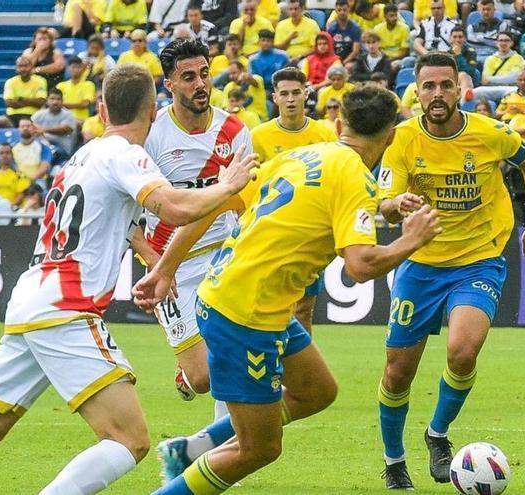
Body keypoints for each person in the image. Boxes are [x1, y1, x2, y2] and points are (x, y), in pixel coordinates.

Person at [0, 63, 260, 495]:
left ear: (102, 109)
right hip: (67, 308)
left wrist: (155, 265)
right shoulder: (126, 155)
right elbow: (175, 208)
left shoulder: (81, 156)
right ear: (152, 111)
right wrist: (228, 186)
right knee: (130, 440)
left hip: (32, 299)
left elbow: (116, 221)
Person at [140, 85, 442, 495]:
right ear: (391, 137)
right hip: (244, 315)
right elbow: (360, 265)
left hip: (240, 297)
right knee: (259, 448)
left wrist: (163, 267)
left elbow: (217, 203)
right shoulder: (355, 177)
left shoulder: (301, 155)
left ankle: (194, 449)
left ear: (339, 124)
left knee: (317, 391)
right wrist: (411, 240)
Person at [376, 52, 525, 490]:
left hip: (478, 260)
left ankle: (437, 434)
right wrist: (398, 205)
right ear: (416, 91)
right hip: (421, 265)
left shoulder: (490, 133)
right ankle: (395, 462)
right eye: (428, 86)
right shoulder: (401, 140)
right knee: (397, 373)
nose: (436, 94)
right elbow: (384, 203)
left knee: (463, 351)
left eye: (445, 86)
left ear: (459, 89)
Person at [140, 38, 255, 416]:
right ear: (168, 84)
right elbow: (124, 213)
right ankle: (187, 374)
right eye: (188, 77)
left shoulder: (235, 131)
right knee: (203, 376)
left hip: (223, 257)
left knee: (229, 354)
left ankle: (223, 452)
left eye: (204, 74)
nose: (200, 84)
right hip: (170, 266)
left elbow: (242, 203)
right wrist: (156, 263)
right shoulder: (151, 134)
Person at [250, 67, 338, 332]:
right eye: (284, 94)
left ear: (306, 94)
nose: (290, 99)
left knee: (303, 311)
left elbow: (334, 179)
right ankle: (266, 368)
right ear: (274, 97)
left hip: (308, 235)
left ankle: (299, 374)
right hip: (269, 234)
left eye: (296, 93)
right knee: (263, 310)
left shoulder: (324, 135)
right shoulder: (258, 136)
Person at [473, 31, 525, 102]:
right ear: (496, 43)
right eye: (501, 40)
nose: (503, 43)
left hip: (510, 88)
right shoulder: (490, 59)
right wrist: (505, 79)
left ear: (512, 43)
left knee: (515, 91)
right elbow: (484, 81)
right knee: (474, 93)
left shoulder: (518, 58)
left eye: (507, 40)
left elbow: (514, 78)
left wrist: (491, 79)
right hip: (492, 89)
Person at [32, 90, 77, 166]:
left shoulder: (68, 114)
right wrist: (41, 134)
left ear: (62, 101)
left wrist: (43, 130)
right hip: (43, 146)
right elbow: (30, 126)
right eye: (52, 99)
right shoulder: (39, 114)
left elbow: (65, 129)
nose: (55, 102)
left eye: (58, 99)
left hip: (62, 150)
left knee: (50, 153)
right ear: (47, 101)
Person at [3, 56, 48, 127]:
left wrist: (21, 99)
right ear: (16, 68)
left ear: (31, 67)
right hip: (13, 115)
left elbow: (41, 102)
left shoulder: (40, 81)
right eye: (20, 66)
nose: (23, 69)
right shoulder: (10, 82)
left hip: (34, 115)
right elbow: (9, 103)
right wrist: (31, 102)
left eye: (26, 66)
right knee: (0, 122)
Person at [12, 118, 53, 190]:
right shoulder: (12, 148)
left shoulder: (43, 147)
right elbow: (13, 167)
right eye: (22, 126)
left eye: (28, 126)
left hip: (37, 180)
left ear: (33, 128)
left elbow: (44, 167)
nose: (25, 128)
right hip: (18, 179)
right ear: (18, 129)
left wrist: (29, 180)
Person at [56, 56, 96, 125]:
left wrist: (63, 104)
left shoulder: (89, 85)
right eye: (73, 67)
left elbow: (85, 104)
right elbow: (55, 104)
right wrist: (78, 104)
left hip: (82, 121)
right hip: (62, 120)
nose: (76, 70)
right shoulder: (60, 85)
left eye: (79, 67)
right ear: (68, 68)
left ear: (83, 68)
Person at [327, 0, 362, 64]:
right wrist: (336, 61)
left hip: (350, 60)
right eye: (339, 10)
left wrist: (343, 62)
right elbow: (329, 49)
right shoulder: (331, 29)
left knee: (349, 67)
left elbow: (356, 51)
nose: (342, 12)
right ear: (335, 10)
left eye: (344, 10)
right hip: (335, 59)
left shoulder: (356, 28)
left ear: (348, 9)